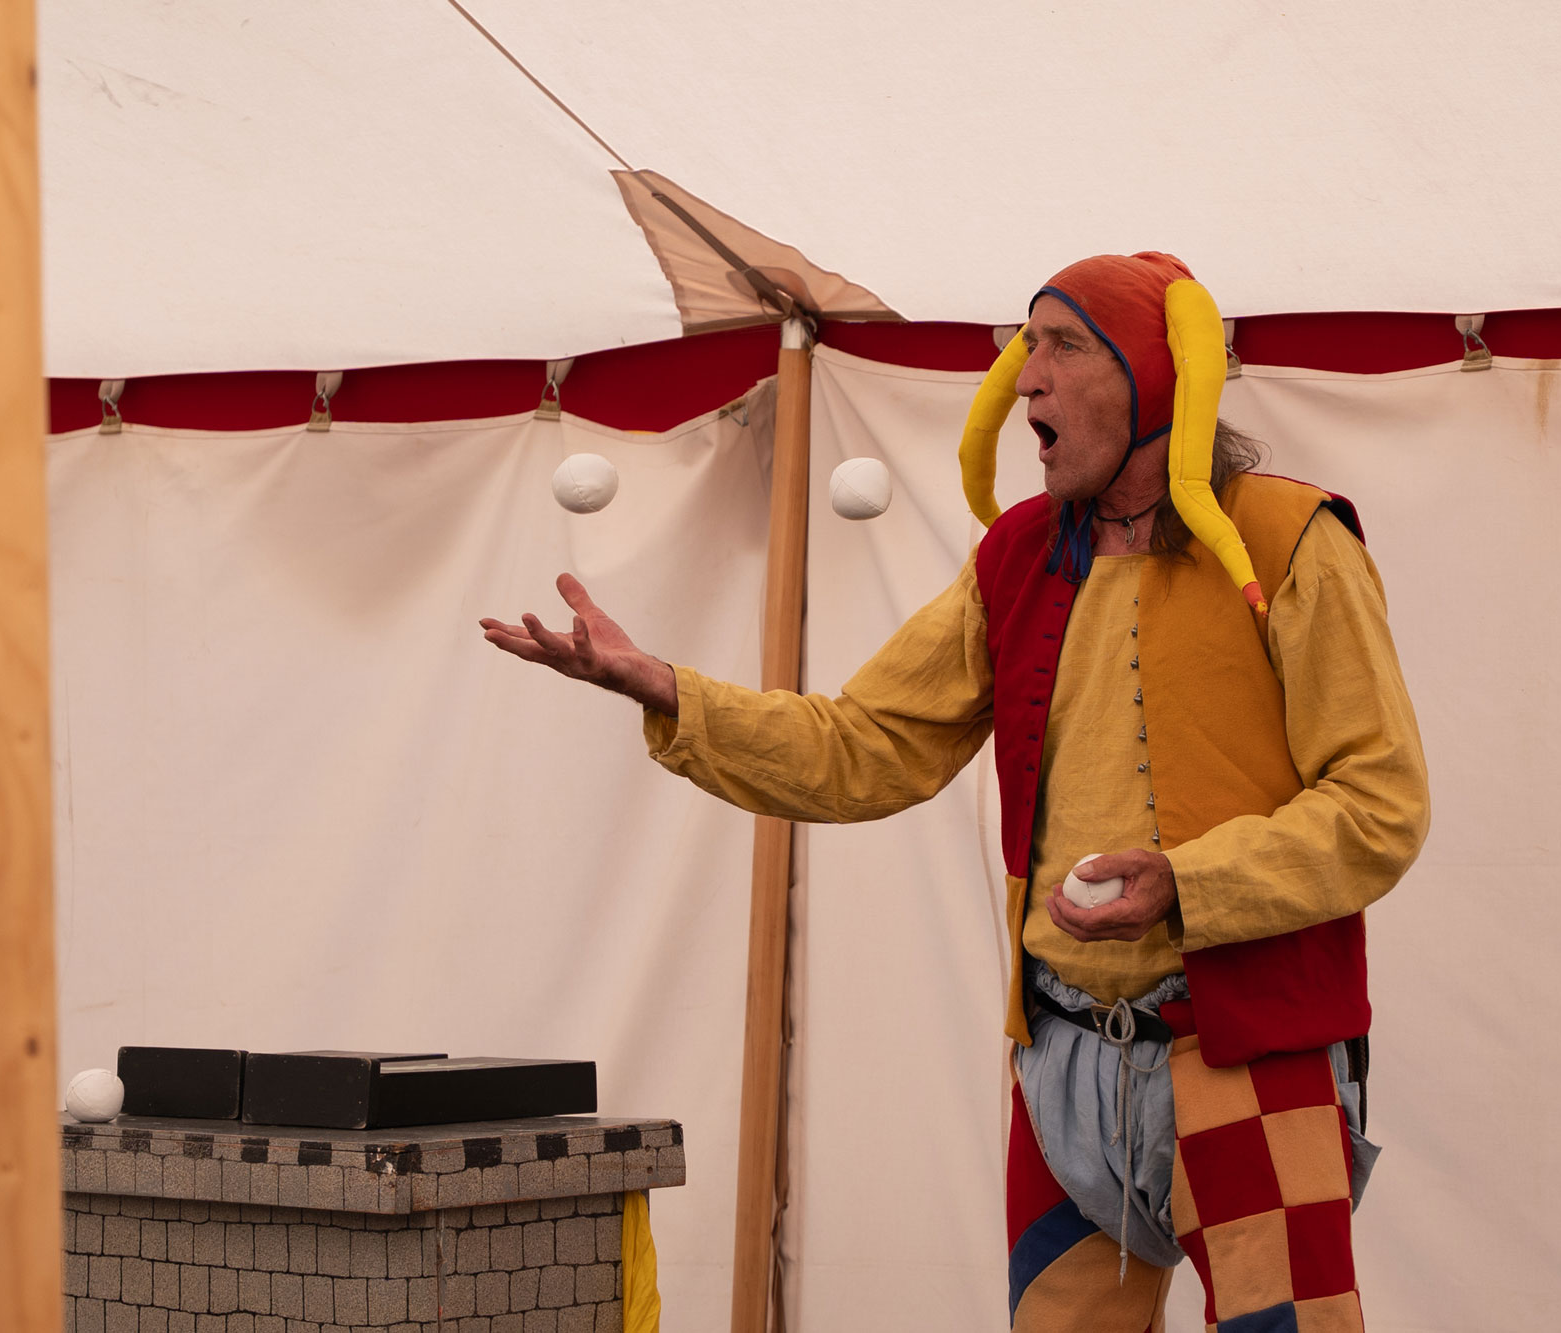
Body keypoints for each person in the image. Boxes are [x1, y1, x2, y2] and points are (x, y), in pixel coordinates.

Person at [481, 252, 1429, 1333]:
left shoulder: (1293, 540)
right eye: (1027, 345)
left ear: (1156, 373)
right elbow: (863, 744)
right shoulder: (1016, 558)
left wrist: (1183, 881)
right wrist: (670, 692)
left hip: (1244, 1054)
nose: (1026, 377)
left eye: (1064, 344)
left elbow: (1377, 803)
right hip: (1063, 1061)